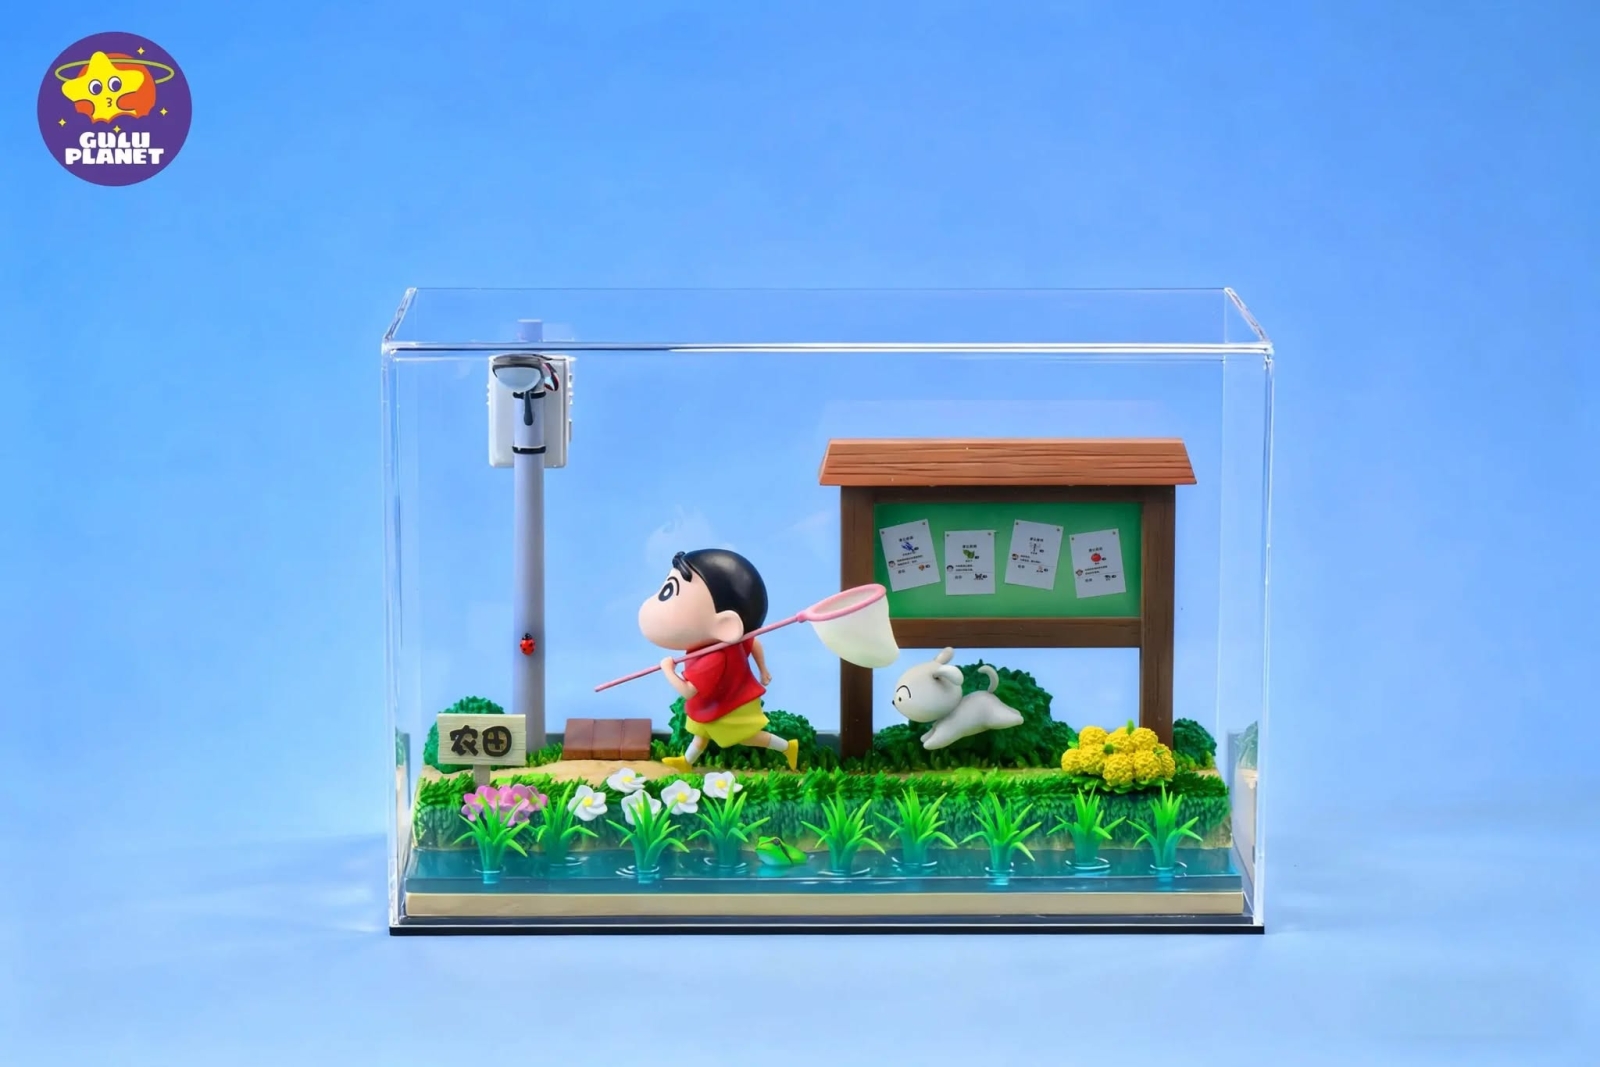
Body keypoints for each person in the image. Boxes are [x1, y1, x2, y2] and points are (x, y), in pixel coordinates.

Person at [637, 548, 799, 773]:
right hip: (714, 702)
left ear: (725, 625)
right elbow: (754, 642)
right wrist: (763, 669)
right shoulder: (722, 643)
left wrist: (668, 670)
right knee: (701, 734)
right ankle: (686, 762)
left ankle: (788, 747)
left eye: (670, 592)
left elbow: (688, 691)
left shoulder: (712, 658)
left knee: (748, 737)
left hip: (730, 705)